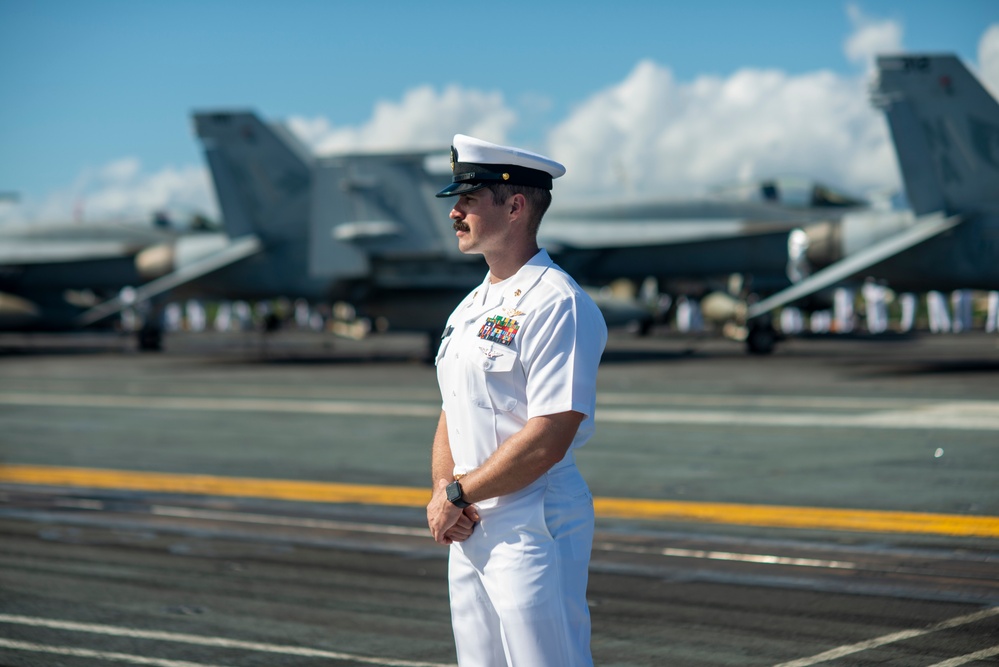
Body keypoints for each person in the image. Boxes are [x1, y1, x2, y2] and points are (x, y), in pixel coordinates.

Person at [426, 134, 607, 666]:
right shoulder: (472, 305)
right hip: (469, 522)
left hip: (533, 525)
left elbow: (549, 436)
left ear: (515, 205)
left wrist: (457, 494)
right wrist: (447, 492)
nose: (455, 212)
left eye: (469, 200)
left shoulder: (558, 303)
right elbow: (452, 409)